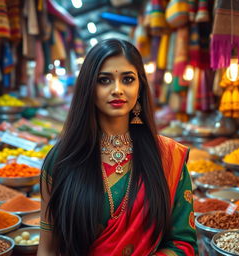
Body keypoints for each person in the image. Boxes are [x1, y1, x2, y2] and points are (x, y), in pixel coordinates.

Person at [37, 38, 198, 256]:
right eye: (104, 80)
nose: (117, 90)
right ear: (88, 87)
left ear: (139, 86)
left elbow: (183, 244)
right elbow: (47, 248)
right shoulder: (62, 159)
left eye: (128, 79)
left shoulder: (169, 158)